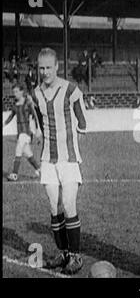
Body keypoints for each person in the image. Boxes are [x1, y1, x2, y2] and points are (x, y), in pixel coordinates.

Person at [33, 48, 87, 275]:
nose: (44, 72)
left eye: (48, 67)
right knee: (54, 207)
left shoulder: (70, 90)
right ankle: (63, 252)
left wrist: (78, 131)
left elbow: (82, 120)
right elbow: (39, 121)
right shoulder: (35, 93)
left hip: (69, 158)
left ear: (57, 67)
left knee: (69, 204)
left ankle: (76, 256)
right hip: (48, 158)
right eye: (41, 68)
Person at [3, 83, 41, 181]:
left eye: (16, 91)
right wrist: (4, 124)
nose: (14, 94)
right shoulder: (15, 106)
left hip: (26, 132)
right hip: (20, 133)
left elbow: (35, 116)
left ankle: (14, 174)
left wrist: (37, 129)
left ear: (21, 92)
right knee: (28, 154)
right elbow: (11, 117)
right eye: (13, 92)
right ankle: (39, 169)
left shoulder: (28, 103)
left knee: (18, 150)